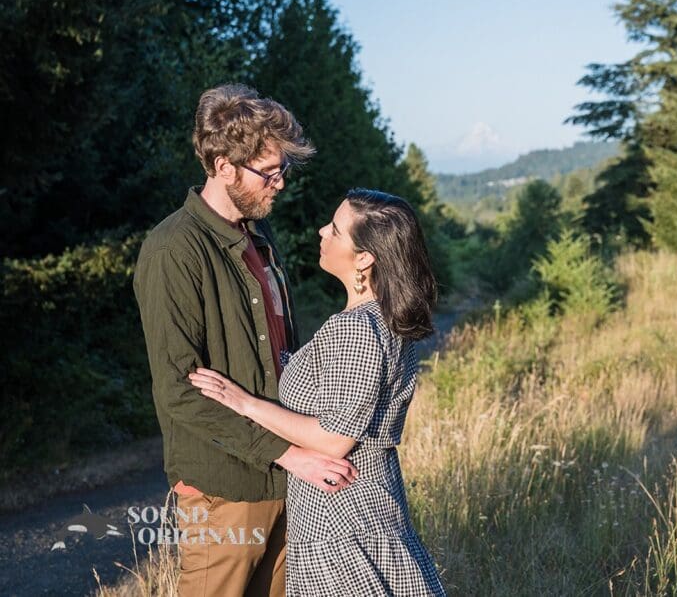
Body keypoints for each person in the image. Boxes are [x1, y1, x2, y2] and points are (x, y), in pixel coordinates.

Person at [133, 84, 358, 597]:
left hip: (286, 482)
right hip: (224, 491)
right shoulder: (172, 250)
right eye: (269, 171)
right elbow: (178, 391)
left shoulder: (261, 240)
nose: (279, 184)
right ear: (222, 165)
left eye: (283, 170)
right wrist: (286, 451)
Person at [188, 189, 447, 596]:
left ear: (364, 258)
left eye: (336, 229)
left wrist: (244, 402)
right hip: (363, 505)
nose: (321, 230)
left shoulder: (357, 329)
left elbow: (333, 439)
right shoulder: (382, 320)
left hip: (340, 515)